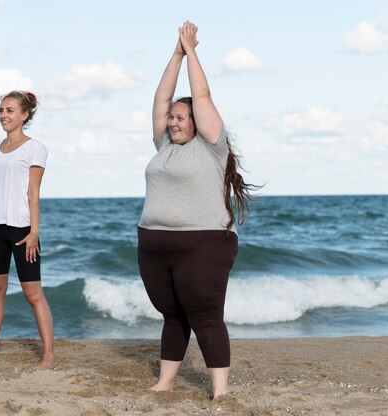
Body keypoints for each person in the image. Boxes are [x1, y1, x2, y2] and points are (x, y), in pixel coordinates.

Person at [137, 21, 258, 399]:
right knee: (172, 316)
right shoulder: (164, 146)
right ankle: (165, 381)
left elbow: (201, 95)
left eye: (179, 117)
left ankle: (219, 391)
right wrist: (174, 54)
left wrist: (191, 51)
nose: (172, 122)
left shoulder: (210, 146)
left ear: (196, 123)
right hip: (155, 245)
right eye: (171, 118)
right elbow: (160, 98)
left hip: (203, 244)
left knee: (205, 318)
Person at [0, 91, 55, 369]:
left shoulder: (34, 148)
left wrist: (34, 232)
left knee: (32, 293)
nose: (4, 115)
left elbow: (34, 193)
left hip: (22, 230)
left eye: (10, 110)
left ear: (25, 115)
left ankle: (49, 355)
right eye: (1, 110)